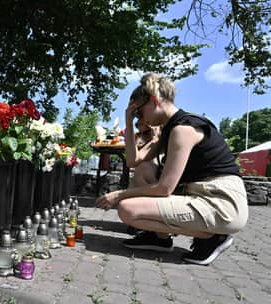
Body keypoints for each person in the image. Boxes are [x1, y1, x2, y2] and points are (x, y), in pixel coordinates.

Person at [96, 73, 248, 265]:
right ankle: (159, 238)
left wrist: (119, 195)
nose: (139, 119)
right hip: (202, 196)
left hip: (221, 203)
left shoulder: (183, 129)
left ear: (153, 101)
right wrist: (127, 121)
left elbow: (164, 188)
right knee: (144, 170)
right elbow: (133, 161)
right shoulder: (170, 129)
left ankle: (214, 237)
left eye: (138, 113)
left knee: (127, 209)